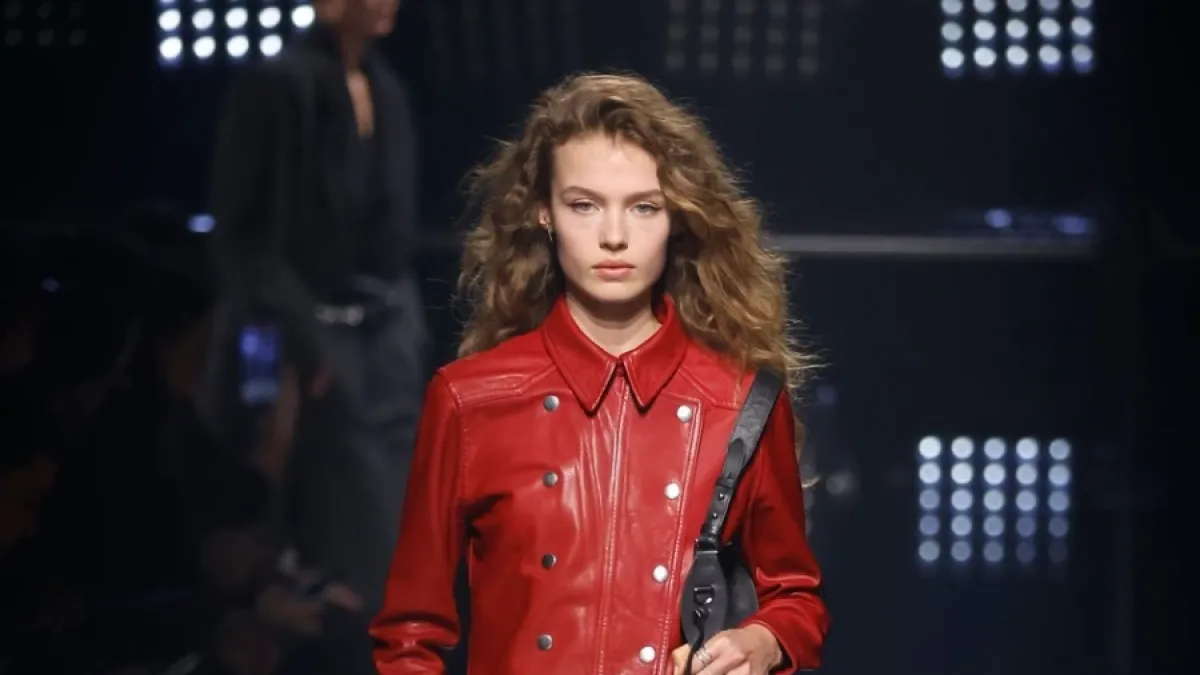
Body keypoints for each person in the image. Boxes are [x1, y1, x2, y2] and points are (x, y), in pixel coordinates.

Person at [371, 73, 829, 675]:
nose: (614, 237)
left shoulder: (739, 401)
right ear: (544, 213)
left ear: (676, 216)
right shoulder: (470, 400)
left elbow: (795, 597)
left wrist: (761, 642)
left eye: (644, 207)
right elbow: (409, 635)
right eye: (583, 205)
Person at [202, 0, 427, 673]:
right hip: (305, 344)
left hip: (385, 343)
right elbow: (242, 234)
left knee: (398, 531)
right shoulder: (275, 85)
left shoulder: (388, 88)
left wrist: (405, 327)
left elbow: (393, 230)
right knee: (341, 535)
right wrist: (302, 337)